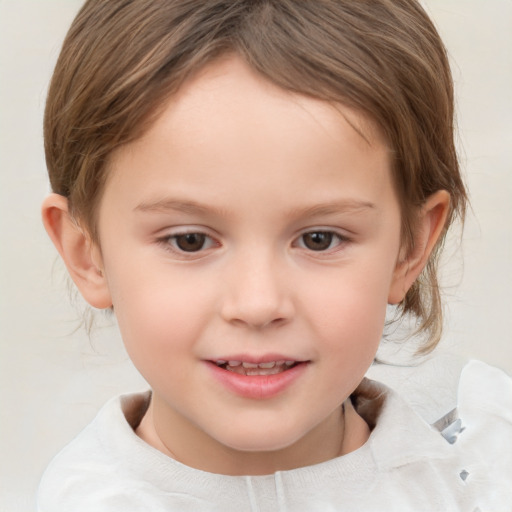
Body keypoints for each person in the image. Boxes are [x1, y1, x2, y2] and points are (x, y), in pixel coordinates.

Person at [37, 0, 512, 510]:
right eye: (190, 240)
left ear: (410, 247)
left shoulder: (484, 464)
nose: (258, 303)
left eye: (319, 239)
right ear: (88, 255)